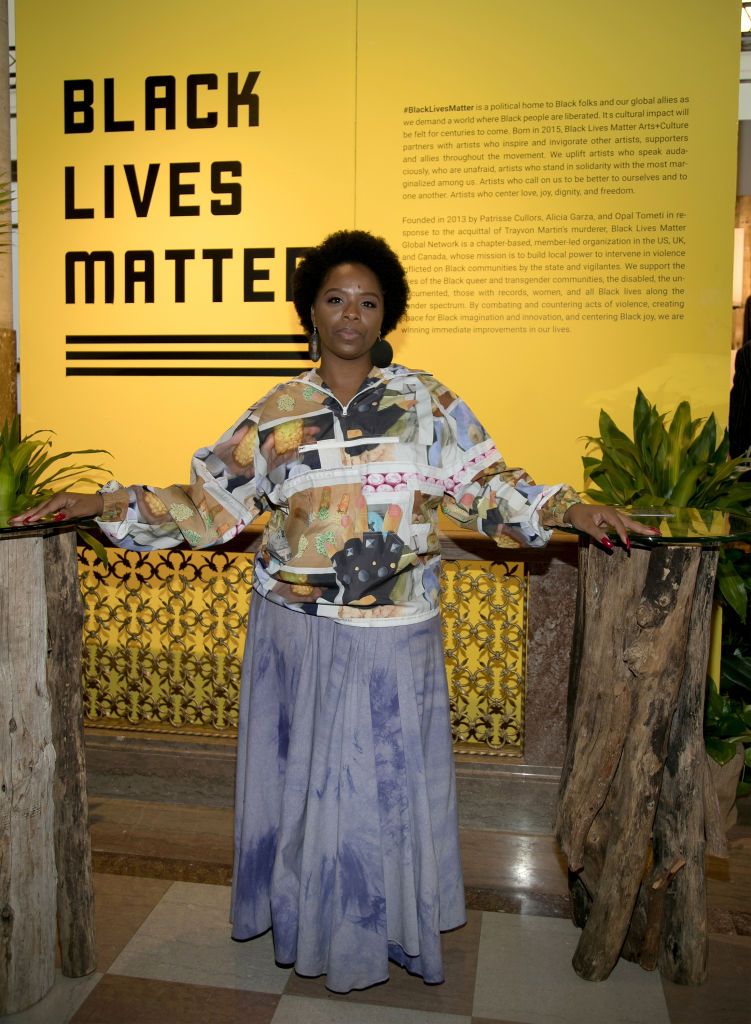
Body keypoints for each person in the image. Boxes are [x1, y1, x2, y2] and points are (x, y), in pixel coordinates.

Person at [15, 229, 656, 993]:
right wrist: (105, 502)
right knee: (306, 790)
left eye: (368, 302)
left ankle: (382, 928)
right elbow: (210, 502)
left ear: (387, 317)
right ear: (309, 311)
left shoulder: (426, 402)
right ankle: (308, 919)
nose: (351, 315)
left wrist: (567, 506)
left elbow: (487, 487)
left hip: (394, 636)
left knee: (382, 793)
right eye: (334, 299)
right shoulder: (279, 411)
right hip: (296, 630)